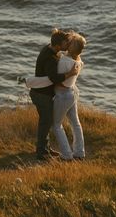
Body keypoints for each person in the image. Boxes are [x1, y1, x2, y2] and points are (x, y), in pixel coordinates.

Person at [26, 32, 86, 161]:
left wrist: (26, 81)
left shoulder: (63, 60)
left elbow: (55, 79)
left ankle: (66, 155)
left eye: (69, 43)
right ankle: (79, 152)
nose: (67, 43)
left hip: (63, 95)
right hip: (72, 92)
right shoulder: (79, 61)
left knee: (55, 124)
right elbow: (54, 76)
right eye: (66, 42)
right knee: (75, 123)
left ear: (71, 47)